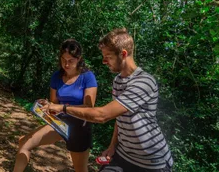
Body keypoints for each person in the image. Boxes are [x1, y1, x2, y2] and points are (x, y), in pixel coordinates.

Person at [43, 28, 173, 172]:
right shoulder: (118, 81)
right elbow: (120, 118)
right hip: (123, 155)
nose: (104, 61)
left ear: (123, 54)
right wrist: (112, 147)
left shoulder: (144, 82)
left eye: (108, 57)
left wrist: (63, 108)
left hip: (152, 162)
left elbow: (102, 115)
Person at [13, 39, 98, 172]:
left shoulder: (87, 77)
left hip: (80, 126)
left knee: (80, 169)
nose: (66, 64)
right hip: (60, 122)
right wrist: (46, 105)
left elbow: (89, 108)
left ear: (79, 59)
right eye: (63, 59)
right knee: (24, 142)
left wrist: (62, 108)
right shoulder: (56, 76)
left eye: (70, 60)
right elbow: (54, 104)